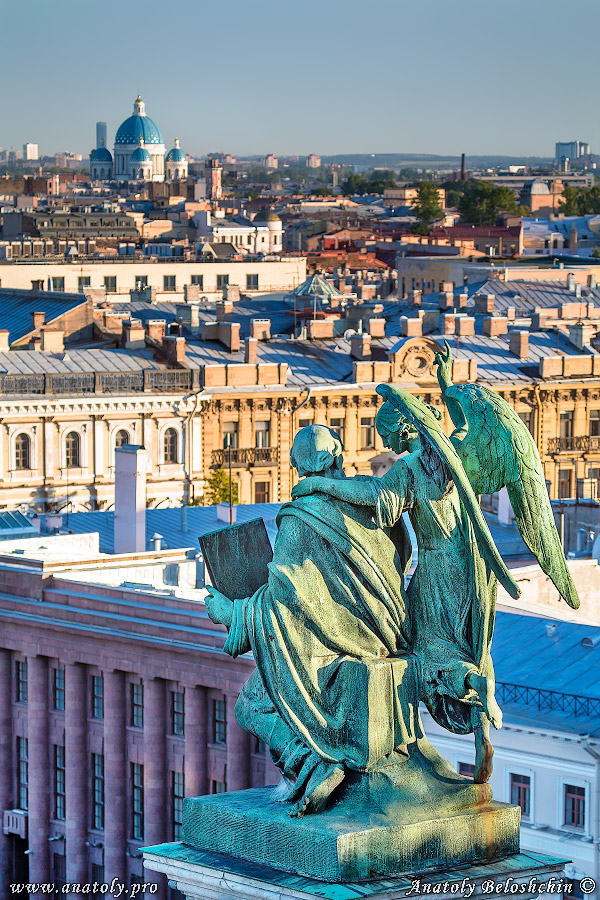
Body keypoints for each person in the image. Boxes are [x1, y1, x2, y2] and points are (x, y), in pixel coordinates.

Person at [205, 425, 417, 816]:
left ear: (298, 470)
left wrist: (233, 613)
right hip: (383, 637)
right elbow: (398, 563)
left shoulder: (303, 516)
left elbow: (289, 599)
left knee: (251, 705)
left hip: (330, 651)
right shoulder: (374, 503)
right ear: (338, 456)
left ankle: (312, 761)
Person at [292, 397, 506, 784]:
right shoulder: (450, 452)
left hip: (438, 569)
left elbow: (379, 499)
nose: (385, 443)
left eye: (386, 432)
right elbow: (465, 424)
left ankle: (469, 681)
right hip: (474, 565)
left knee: (423, 650)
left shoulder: (410, 467)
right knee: (469, 644)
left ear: (404, 426)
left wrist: (318, 484)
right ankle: (481, 723)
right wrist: (447, 386)